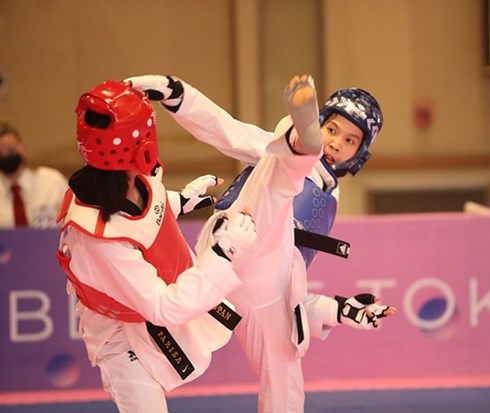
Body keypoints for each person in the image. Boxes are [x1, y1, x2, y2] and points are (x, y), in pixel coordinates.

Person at [126, 74, 396, 412]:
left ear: (360, 153)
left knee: (286, 381)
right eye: (331, 130)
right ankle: (300, 144)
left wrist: (335, 309)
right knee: (282, 172)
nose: (338, 142)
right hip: (228, 246)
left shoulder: (331, 200)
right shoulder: (275, 149)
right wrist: (178, 94)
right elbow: (224, 128)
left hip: (264, 284)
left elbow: (292, 270)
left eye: (350, 140)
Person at [55, 80, 258, 413]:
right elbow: (163, 307)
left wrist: (184, 202)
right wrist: (225, 252)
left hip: (151, 312)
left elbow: (147, 212)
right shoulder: (99, 238)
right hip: (121, 336)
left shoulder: (133, 176)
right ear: (142, 140)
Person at [0, 120, 67, 228]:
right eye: (0, 153)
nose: (5, 156)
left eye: (10, 150)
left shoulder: (52, 181)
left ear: (22, 148)